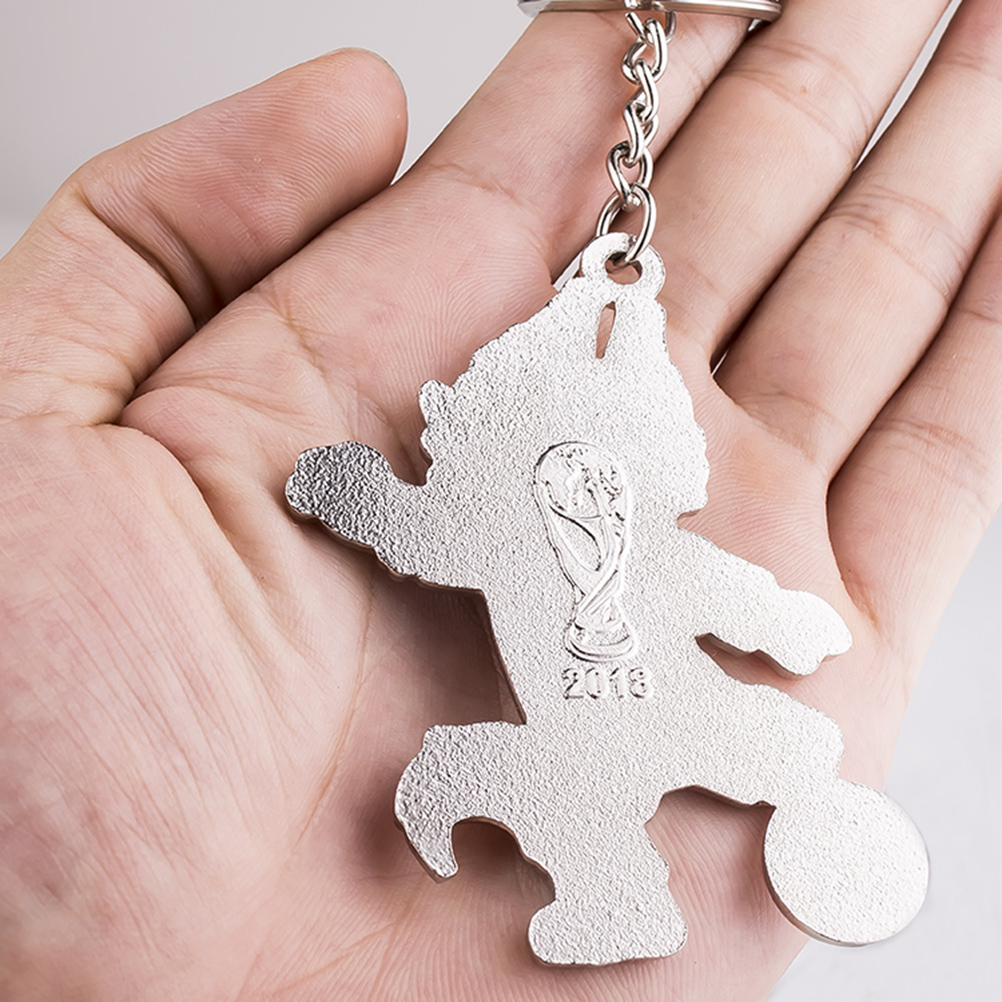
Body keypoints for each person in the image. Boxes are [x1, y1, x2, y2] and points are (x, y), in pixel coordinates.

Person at [0, 3, 998, 999]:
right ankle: (619, 901)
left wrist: (783, 623)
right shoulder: (490, 529)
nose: (588, 490)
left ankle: (805, 823)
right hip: (572, 748)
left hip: (679, 709)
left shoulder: (654, 549)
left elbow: (727, 591)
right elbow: (414, 533)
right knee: (489, 778)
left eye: (605, 478)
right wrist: (354, 493)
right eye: (566, 472)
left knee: (766, 759)